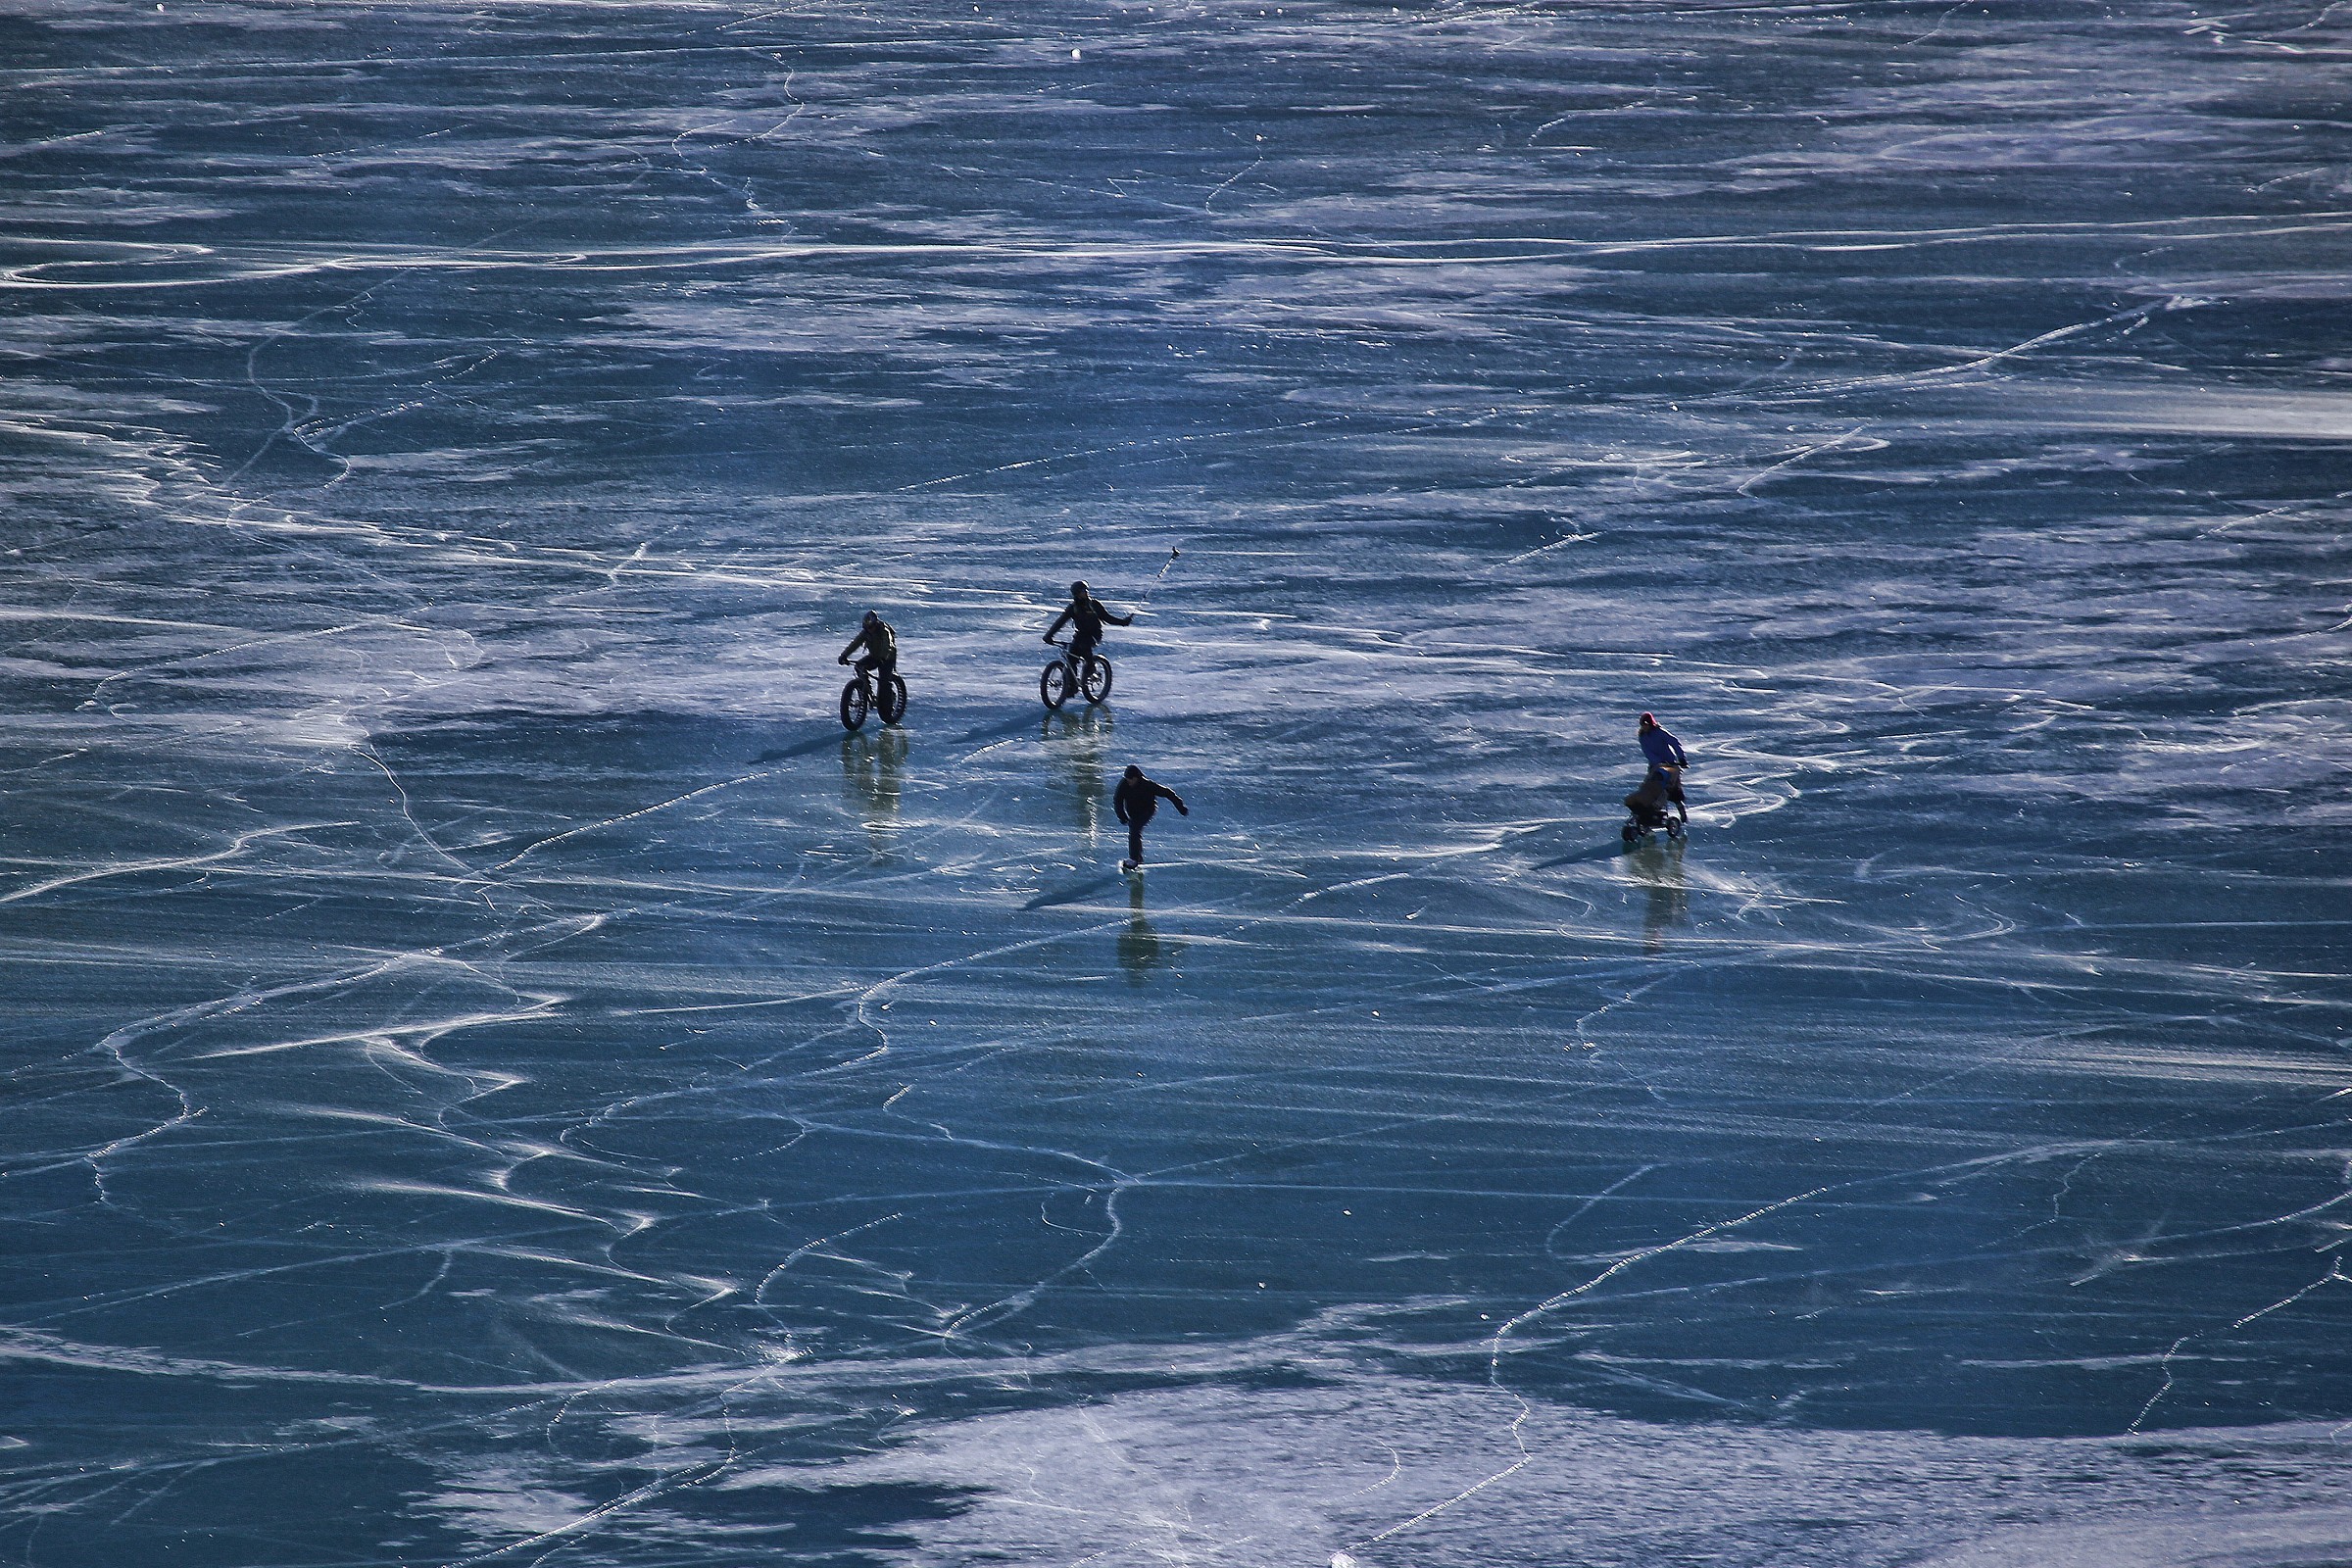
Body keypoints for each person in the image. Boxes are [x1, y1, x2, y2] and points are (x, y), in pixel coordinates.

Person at [1112, 764, 1187, 870]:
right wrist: (1122, 816)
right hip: (1133, 812)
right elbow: (1117, 800)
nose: (1128, 782)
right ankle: (1138, 857)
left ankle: (1134, 859)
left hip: (1147, 811)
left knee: (1134, 829)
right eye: (1127, 779)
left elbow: (1167, 793)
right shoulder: (1124, 784)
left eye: (1130, 780)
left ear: (1136, 778)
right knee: (1135, 831)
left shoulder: (1147, 785)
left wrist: (1181, 807)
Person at [1043, 580, 1133, 665]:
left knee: (1085, 648)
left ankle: (1090, 667)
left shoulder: (1094, 604)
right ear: (1077, 594)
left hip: (1095, 634)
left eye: (1086, 589)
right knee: (1071, 656)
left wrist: (1123, 622)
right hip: (1080, 634)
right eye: (1083, 590)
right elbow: (1060, 622)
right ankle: (1071, 681)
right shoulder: (1073, 608)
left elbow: (1107, 618)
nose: (1086, 592)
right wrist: (1049, 635)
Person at [1636, 711, 1689, 824]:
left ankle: (1681, 811)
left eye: (1646, 724)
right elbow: (1648, 752)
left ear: (1651, 724)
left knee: (1673, 789)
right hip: (1655, 766)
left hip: (1670, 764)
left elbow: (1674, 742)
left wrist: (1681, 758)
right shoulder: (1642, 737)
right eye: (1643, 725)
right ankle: (1650, 811)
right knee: (1652, 786)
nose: (1644, 727)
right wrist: (1658, 763)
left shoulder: (1660, 733)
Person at [838, 611, 896, 680]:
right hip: (874, 656)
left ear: (875, 624)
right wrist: (844, 655)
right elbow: (855, 644)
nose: (869, 629)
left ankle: (887, 690)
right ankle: (864, 687)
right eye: (867, 628)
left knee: (883, 682)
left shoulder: (884, 631)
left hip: (888, 658)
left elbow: (887, 646)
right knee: (859, 666)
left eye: (871, 627)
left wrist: (882, 658)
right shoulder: (866, 632)